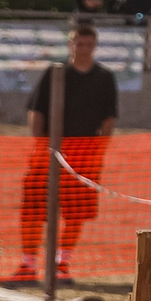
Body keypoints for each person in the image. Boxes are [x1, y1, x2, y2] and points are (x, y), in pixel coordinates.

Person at [18, 20, 119, 279]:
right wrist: (39, 146)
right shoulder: (55, 72)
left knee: (76, 211)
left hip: (84, 154)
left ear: (95, 46)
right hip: (49, 150)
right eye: (78, 43)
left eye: (88, 44)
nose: (83, 48)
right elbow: (36, 110)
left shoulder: (105, 78)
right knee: (34, 209)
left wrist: (98, 153)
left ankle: (63, 264)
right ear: (70, 44)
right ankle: (28, 263)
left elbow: (109, 120)